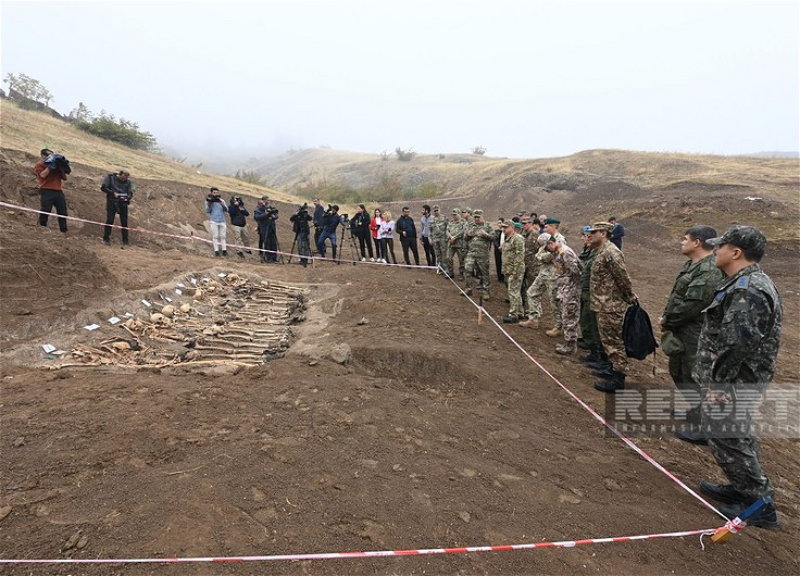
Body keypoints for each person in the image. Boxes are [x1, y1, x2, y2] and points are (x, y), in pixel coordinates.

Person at [693, 225, 783, 529]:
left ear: (736, 252)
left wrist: (718, 385)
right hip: (736, 380)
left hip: (735, 382)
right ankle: (743, 487)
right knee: (734, 435)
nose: (715, 251)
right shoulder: (743, 283)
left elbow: (736, 344)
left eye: (720, 247)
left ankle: (759, 505)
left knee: (729, 437)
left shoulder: (747, 289)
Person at [660, 226, 724, 443]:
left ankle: (707, 428)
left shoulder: (709, 270)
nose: (681, 242)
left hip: (695, 332)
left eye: (684, 239)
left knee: (695, 376)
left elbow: (692, 306)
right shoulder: (691, 265)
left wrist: (668, 320)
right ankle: (696, 412)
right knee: (678, 371)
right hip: (681, 328)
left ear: (697, 242)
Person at [586, 221, 637, 393]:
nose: (590, 235)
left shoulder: (611, 252)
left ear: (604, 233)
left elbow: (622, 277)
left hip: (611, 305)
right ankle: (611, 369)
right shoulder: (601, 251)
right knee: (607, 340)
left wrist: (629, 296)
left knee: (614, 342)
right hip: (603, 303)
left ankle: (618, 379)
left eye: (594, 232)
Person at [519, 217, 565, 332]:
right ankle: (533, 319)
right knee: (531, 293)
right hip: (543, 272)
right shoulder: (545, 238)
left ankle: (558, 326)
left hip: (553, 274)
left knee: (554, 301)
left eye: (546, 226)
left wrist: (540, 257)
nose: (544, 228)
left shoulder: (560, 240)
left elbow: (556, 257)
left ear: (554, 226)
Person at [542, 233, 582, 355]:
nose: (547, 251)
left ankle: (571, 347)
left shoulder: (565, 252)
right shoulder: (557, 252)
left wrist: (570, 288)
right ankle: (568, 343)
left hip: (571, 290)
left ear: (550, 243)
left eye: (546, 248)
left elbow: (576, 272)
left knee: (570, 318)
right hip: (565, 289)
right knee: (566, 316)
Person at [34, 148, 70, 233]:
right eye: (47, 155)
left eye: (51, 155)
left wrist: (61, 168)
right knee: (46, 209)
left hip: (58, 190)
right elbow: (42, 175)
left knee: (62, 211)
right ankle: (42, 226)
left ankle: (63, 230)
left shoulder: (57, 165)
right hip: (46, 189)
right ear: (43, 156)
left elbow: (65, 178)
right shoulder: (39, 165)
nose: (50, 157)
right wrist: (50, 166)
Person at [101, 169, 134, 246]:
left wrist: (126, 198)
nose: (124, 180)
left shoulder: (128, 182)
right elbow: (103, 187)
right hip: (112, 201)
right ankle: (106, 239)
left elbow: (130, 193)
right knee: (110, 220)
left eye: (125, 178)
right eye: (122, 178)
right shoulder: (110, 178)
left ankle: (125, 241)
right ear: (119, 174)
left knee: (124, 222)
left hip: (123, 203)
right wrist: (112, 193)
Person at [501, 220, 525, 322]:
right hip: (509, 269)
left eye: (506, 227)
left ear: (511, 227)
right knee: (515, 291)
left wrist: (516, 271)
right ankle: (519, 312)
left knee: (513, 292)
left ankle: (513, 314)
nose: (503, 229)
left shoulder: (517, 239)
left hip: (515, 270)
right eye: (503, 227)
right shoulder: (508, 239)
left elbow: (519, 256)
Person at [204, 187, 228, 257]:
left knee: (223, 236)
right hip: (214, 220)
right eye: (214, 193)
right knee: (215, 236)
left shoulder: (222, 201)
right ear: (211, 193)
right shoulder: (208, 201)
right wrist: (210, 203)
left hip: (222, 220)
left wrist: (221, 203)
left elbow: (226, 210)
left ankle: (224, 250)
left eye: (217, 192)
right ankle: (216, 251)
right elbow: (207, 211)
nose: (216, 194)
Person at [289, 203, 313, 267]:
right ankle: (302, 259)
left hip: (306, 231)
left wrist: (306, 214)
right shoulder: (297, 214)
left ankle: (306, 259)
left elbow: (310, 218)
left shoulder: (305, 214)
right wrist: (296, 214)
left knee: (306, 246)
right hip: (299, 232)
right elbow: (291, 219)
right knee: (300, 246)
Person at [445, 209, 466, 279]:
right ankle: (450, 272)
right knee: (448, 258)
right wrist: (450, 237)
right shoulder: (450, 223)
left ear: (459, 214)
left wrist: (455, 237)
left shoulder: (463, 222)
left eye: (455, 215)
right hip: (451, 243)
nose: (453, 216)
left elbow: (463, 231)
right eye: (453, 215)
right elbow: (447, 231)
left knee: (461, 260)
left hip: (460, 244)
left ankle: (461, 274)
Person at [429, 205, 448, 273]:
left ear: (439, 210)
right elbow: (430, 230)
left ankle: (446, 269)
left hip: (443, 239)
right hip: (435, 239)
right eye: (435, 211)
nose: (436, 212)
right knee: (438, 254)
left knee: (444, 254)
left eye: (437, 210)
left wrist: (447, 237)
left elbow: (448, 228)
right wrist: (430, 239)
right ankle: (440, 268)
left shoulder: (444, 218)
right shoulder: (431, 220)